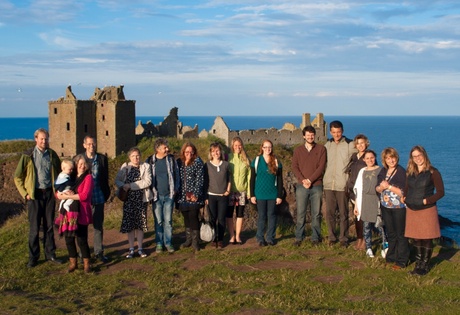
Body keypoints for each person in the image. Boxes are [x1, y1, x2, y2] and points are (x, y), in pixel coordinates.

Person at [14, 128, 63, 268]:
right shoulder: (28, 155)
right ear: (36, 139)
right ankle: (33, 257)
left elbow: (60, 173)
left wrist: (59, 190)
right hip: (34, 195)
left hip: (48, 194)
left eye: (46, 138)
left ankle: (50, 254)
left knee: (48, 226)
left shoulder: (52, 154)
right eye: (41, 139)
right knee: (34, 228)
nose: (44, 141)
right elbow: (17, 177)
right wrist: (25, 194)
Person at [403, 145, 444, 276]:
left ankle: (425, 266)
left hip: (427, 209)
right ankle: (418, 264)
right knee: (416, 238)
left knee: (426, 238)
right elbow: (407, 188)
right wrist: (404, 198)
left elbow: (441, 192)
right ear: (411, 158)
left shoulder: (433, 172)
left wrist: (427, 201)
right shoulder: (409, 172)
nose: (417, 158)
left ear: (424, 155)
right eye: (414, 156)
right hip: (412, 208)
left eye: (419, 155)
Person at [56, 154, 94, 273]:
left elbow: (84, 195)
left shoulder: (88, 178)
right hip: (69, 213)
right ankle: (73, 262)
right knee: (68, 239)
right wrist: (60, 195)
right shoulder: (69, 177)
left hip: (82, 211)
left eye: (84, 164)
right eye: (80, 164)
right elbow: (58, 191)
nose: (82, 166)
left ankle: (87, 263)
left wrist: (69, 196)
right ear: (76, 164)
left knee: (82, 239)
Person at [323, 120, 357, 247]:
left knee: (343, 214)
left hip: (343, 184)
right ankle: (332, 237)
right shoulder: (327, 145)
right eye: (334, 132)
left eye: (338, 132)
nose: (336, 134)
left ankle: (344, 238)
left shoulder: (350, 144)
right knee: (330, 213)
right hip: (328, 184)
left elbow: (360, 157)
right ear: (330, 132)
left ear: (342, 131)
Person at [115, 147, 153, 258]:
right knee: (130, 225)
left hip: (141, 199)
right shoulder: (125, 168)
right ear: (129, 157)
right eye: (133, 156)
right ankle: (131, 249)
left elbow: (148, 181)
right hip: (128, 200)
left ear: (140, 156)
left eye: (137, 155)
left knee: (140, 225)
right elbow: (117, 180)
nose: (135, 158)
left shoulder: (146, 166)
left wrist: (130, 185)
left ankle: (140, 248)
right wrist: (123, 186)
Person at [292, 126, 326, 246]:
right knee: (301, 213)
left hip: (316, 185)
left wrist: (310, 180)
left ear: (315, 135)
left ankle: (315, 237)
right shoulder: (298, 150)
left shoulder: (321, 149)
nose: (310, 137)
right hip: (302, 186)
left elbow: (321, 167)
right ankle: (298, 237)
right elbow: (294, 167)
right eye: (308, 135)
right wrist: (303, 180)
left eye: (312, 135)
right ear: (303, 136)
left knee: (316, 213)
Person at [376, 147, 408, 270]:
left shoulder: (401, 172)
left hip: (398, 207)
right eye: (388, 158)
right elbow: (377, 188)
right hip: (386, 206)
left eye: (392, 157)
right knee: (391, 233)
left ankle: (401, 261)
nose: (391, 160)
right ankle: (391, 258)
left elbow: (403, 191)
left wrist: (388, 187)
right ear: (384, 160)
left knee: (401, 234)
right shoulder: (383, 171)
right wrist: (380, 188)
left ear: (396, 158)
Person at [146, 138, 180, 254]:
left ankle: (168, 242)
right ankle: (159, 243)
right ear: (158, 149)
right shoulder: (150, 161)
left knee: (168, 220)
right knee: (159, 221)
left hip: (169, 195)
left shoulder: (170, 160)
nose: (167, 149)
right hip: (156, 196)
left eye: (167, 147)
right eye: (165, 147)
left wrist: (175, 189)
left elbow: (177, 174)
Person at [82, 136, 111, 263]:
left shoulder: (102, 159)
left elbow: (105, 177)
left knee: (98, 227)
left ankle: (99, 252)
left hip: (98, 196)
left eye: (93, 144)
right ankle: (84, 254)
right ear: (84, 145)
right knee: (83, 228)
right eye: (88, 144)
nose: (91, 146)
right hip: (84, 199)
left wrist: (107, 193)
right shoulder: (79, 159)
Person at [250, 140, 283, 247]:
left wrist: (279, 195)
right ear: (262, 148)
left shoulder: (276, 161)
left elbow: (280, 180)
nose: (268, 149)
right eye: (265, 147)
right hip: (259, 193)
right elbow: (252, 179)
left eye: (270, 147)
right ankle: (260, 238)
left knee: (272, 215)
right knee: (262, 216)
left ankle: (270, 238)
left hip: (272, 194)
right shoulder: (256, 161)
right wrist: (252, 195)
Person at [353, 150, 386, 258]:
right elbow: (357, 189)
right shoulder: (362, 171)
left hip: (376, 201)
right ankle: (368, 248)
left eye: (371, 158)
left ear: (375, 158)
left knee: (380, 226)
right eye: (367, 158)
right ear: (364, 160)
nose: (370, 160)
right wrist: (356, 205)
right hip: (365, 200)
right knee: (366, 226)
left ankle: (385, 248)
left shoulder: (381, 170)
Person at [176, 142, 205, 252]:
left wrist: (195, 194)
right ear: (183, 152)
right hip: (182, 195)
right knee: (186, 217)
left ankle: (195, 241)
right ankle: (188, 240)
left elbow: (200, 179)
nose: (189, 153)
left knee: (193, 216)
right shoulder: (179, 162)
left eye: (191, 151)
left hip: (194, 195)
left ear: (194, 152)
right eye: (186, 151)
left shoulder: (197, 162)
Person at [345, 134, 370, 251]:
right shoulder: (354, 157)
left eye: (362, 143)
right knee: (357, 217)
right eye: (358, 143)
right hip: (353, 191)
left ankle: (364, 240)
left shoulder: (368, 156)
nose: (360, 145)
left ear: (366, 144)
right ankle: (359, 238)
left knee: (363, 217)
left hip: (363, 191)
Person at [205, 142, 231, 249]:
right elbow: (205, 182)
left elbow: (229, 179)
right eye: (213, 151)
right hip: (211, 195)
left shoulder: (226, 164)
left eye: (217, 151)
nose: (216, 153)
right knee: (212, 218)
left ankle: (220, 239)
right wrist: (206, 197)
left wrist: (228, 190)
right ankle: (213, 238)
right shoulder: (207, 165)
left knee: (221, 219)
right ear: (211, 153)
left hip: (223, 196)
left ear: (221, 152)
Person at [227, 137, 250, 245]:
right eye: (235, 145)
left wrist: (249, 192)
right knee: (230, 214)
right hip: (230, 190)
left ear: (242, 146)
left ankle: (238, 236)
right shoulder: (229, 158)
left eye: (239, 145)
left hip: (242, 191)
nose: (237, 147)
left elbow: (249, 177)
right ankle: (231, 236)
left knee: (240, 214)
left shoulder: (246, 159)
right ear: (232, 146)